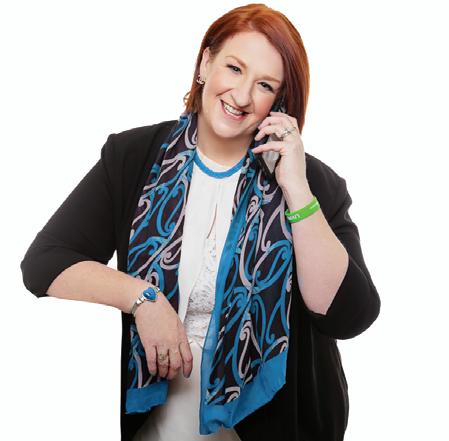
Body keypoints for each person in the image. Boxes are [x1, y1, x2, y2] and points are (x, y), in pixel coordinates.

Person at [20, 3, 381, 441]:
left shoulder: (313, 183)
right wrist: (143, 298)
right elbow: (44, 263)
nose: (242, 96)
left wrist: (296, 191)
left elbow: (348, 317)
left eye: (264, 85)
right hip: (159, 428)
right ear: (206, 63)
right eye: (234, 68)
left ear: (280, 101)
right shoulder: (133, 157)